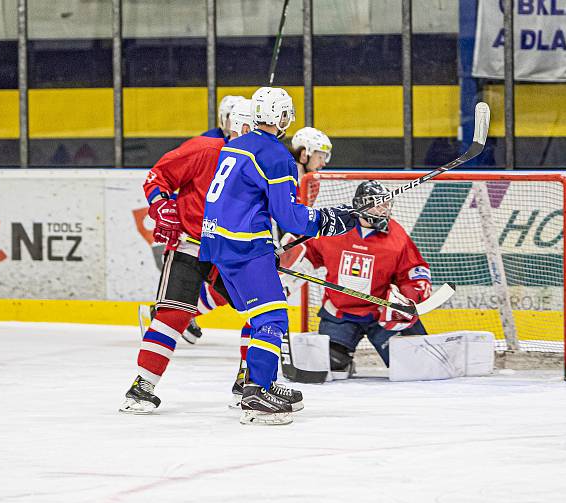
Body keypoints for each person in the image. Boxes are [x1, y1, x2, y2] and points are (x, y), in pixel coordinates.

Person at [199, 86, 357, 425]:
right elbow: (291, 217)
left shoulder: (235, 145)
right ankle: (256, 394)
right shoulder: (275, 155)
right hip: (244, 246)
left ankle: (261, 384)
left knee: (260, 316)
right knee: (271, 319)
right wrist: (331, 219)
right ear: (283, 117)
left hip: (217, 242)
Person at [120, 100, 254, 414]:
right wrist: (162, 207)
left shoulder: (260, 164)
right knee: (174, 316)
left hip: (230, 250)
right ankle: (143, 384)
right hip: (190, 244)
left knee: (263, 309)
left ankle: (250, 381)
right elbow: (157, 177)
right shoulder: (204, 150)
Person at [281, 180, 433, 375]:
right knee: (332, 365)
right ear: (362, 204)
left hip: (380, 313)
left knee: (415, 365)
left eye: (386, 204)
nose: (384, 210)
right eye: (379, 204)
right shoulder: (336, 228)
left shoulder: (397, 236)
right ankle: (343, 357)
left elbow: (413, 272)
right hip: (340, 314)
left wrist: (408, 299)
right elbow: (306, 255)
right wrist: (284, 277)